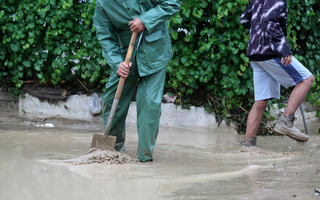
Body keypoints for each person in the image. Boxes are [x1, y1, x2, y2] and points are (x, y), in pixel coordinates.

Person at [93, 1, 180, 162]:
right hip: (126, 56)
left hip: (155, 52)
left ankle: (144, 158)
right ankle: (113, 151)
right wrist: (116, 63)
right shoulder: (102, 4)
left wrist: (145, 20)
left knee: (149, 103)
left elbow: (172, 4)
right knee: (112, 100)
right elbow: (105, 35)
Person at [239, 0, 314, 146]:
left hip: (255, 54)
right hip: (270, 52)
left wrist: (258, 30)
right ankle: (286, 122)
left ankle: (248, 145)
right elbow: (269, 22)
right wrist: (284, 50)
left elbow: (244, 19)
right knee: (307, 79)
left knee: (261, 100)